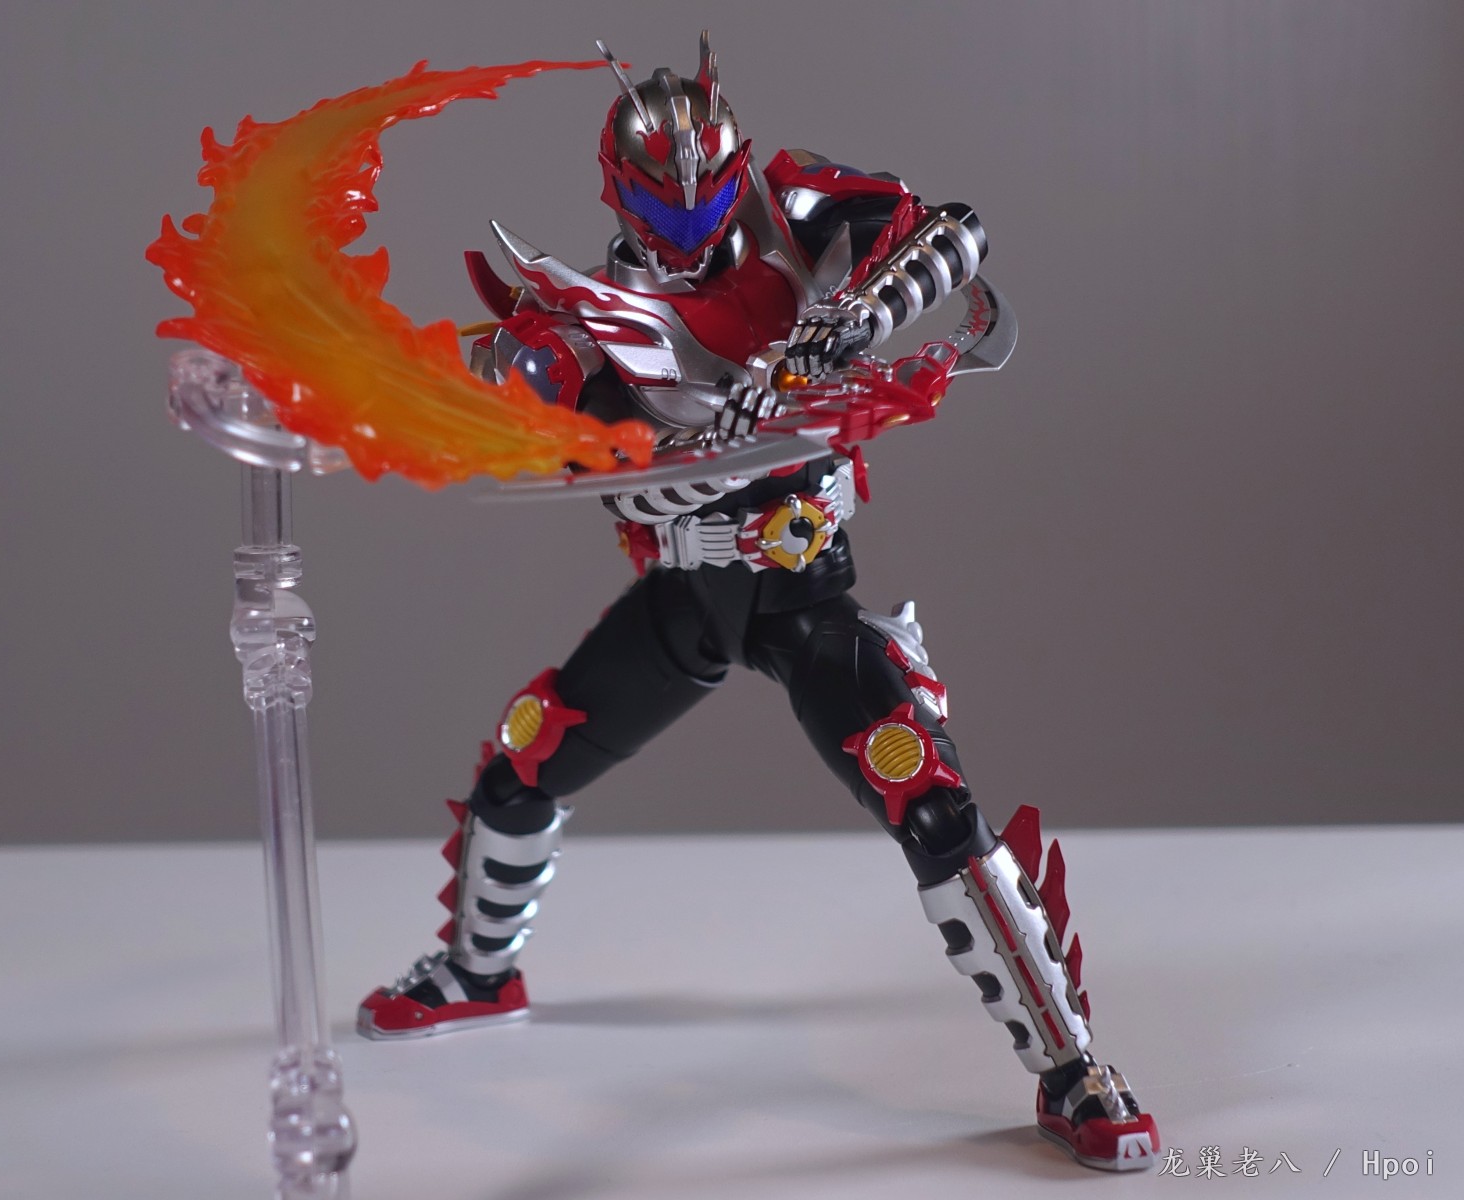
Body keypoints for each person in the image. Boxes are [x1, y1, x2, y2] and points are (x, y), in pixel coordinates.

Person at [356, 34, 1160, 1172]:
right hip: (687, 591)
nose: (688, 220)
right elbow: (562, 441)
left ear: (733, 169)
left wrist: (854, 319)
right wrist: (542, 412)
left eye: (706, 191)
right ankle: (477, 972)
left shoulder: (797, 217)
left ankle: (1073, 1069)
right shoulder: (580, 318)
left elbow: (954, 233)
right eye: (661, 200)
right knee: (527, 756)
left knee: (929, 799)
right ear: (618, 189)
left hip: (802, 593)